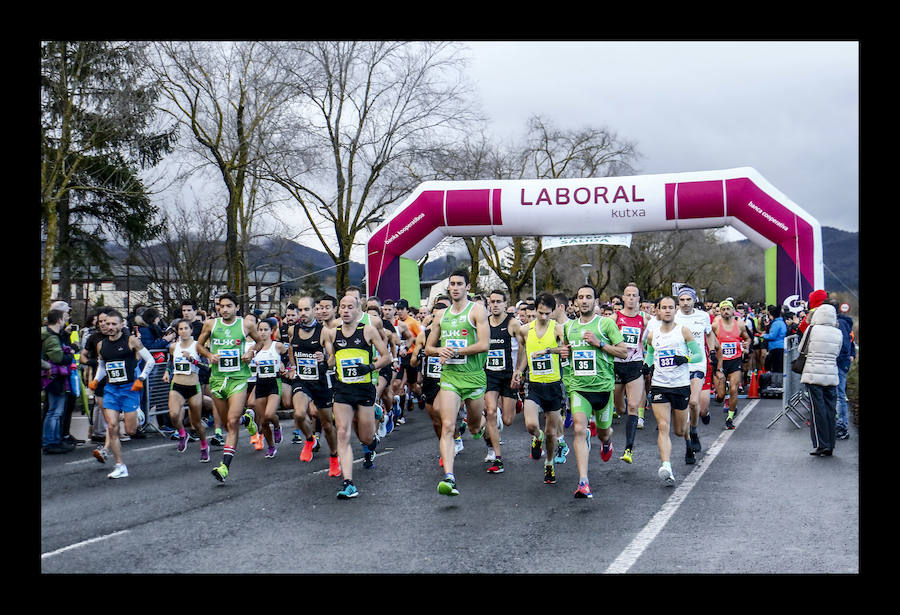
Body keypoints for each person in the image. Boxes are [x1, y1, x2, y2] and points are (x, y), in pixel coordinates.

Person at [424, 269, 490, 497]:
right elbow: (428, 348)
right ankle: (449, 477)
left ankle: (488, 421)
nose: (455, 287)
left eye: (459, 284)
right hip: (450, 378)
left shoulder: (477, 311)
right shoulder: (441, 316)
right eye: (452, 284)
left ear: (467, 287)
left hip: (473, 377)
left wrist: (456, 351)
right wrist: (439, 350)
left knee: (473, 426)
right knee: (448, 426)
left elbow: (484, 345)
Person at [559, 284, 627, 498]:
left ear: (596, 301)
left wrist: (599, 344)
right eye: (581, 297)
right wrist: (563, 353)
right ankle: (583, 482)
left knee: (604, 432)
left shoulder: (605, 324)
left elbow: (624, 352)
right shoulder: (568, 328)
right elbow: (567, 355)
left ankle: (607, 442)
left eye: (589, 297)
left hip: (603, 388)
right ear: (576, 302)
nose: (585, 300)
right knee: (579, 429)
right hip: (579, 388)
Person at [321, 294, 391, 499]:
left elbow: (386, 357)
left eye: (349, 307)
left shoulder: (367, 331)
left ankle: (371, 444)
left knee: (365, 437)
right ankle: (348, 483)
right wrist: (325, 362)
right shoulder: (332, 334)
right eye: (342, 307)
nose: (345, 310)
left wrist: (369, 366)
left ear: (358, 309)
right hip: (342, 389)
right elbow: (333, 360)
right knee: (342, 432)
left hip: (364, 389)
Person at [196, 292, 265, 483]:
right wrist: (209, 356)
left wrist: (251, 351)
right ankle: (248, 421)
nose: (224, 309)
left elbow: (259, 341)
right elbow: (199, 346)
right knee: (228, 421)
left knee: (232, 421)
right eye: (221, 306)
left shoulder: (246, 325)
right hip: (218, 379)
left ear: (236, 308)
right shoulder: (211, 324)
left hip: (238, 378)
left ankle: (224, 466)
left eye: (228, 306)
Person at [643, 296, 706, 485]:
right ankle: (666, 465)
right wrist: (646, 366)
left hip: (680, 385)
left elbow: (698, 355)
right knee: (663, 426)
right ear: (658, 311)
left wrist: (685, 358)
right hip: (660, 385)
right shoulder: (653, 334)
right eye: (664, 307)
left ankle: (688, 437)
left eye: (671, 307)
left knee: (679, 430)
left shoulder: (683, 331)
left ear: (675, 309)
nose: (668, 310)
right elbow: (650, 354)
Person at [88, 309, 157, 478]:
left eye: (113, 324)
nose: (109, 327)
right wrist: (96, 380)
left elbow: (151, 360)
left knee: (131, 430)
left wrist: (141, 378)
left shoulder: (131, 341)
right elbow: (103, 366)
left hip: (129, 389)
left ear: (121, 324)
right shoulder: (101, 345)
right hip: (111, 389)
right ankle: (120, 466)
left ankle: (137, 414)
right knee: (111, 427)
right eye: (107, 323)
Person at [512, 293, 569, 486]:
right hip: (534, 384)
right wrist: (519, 371)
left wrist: (547, 351)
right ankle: (538, 438)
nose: (543, 316)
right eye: (540, 312)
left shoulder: (557, 329)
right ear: (535, 310)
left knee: (552, 433)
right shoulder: (524, 330)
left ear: (553, 312)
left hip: (553, 385)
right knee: (531, 425)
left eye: (547, 313)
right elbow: (524, 353)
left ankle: (549, 463)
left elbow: (564, 351)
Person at [288, 296, 340, 477]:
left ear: (314, 310)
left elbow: (333, 359)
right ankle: (310, 439)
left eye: (306, 310)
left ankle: (334, 457)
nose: (302, 314)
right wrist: (293, 367)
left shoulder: (324, 332)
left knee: (326, 423)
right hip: (302, 380)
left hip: (320, 382)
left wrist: (325, 358)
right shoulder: (292, 330)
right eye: (300, 310)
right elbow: (291, 348)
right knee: (299, 413)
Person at [674, 286, 718, 464]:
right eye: (682, 300)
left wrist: (713, 351)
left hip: (699, 363)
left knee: (696, 404)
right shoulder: (674, 317)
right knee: (686, 406)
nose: (685, 303)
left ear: (694, 300)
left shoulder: (703, 316)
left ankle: (693, 429)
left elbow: (709, 334)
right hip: (680, 366)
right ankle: (689, 444)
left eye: (688, 300)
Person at [483, 289, 523, 473]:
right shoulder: (484, 324)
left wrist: (518, 371)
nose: (495, 305)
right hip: (489, 374)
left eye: (499, 301)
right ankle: (497, 458)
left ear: (505, 304)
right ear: (488, 304)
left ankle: (502, 415)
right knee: (490, 411)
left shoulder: (513, 323)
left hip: (508, 375)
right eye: (492, 301)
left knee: (507, 420)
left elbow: (524, 346)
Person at [799, 300, 845, 456]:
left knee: (817, 410)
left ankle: (821, 444)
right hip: (831, 374)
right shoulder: (837, 332)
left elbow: (802, 348)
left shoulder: (812, 329)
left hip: (813, 374)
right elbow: (837, 352)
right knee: (830, 409)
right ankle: (831, 444)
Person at [613, 283, 651, 464]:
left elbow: (659, 328)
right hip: (616, 365)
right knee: (620, 408)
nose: (630, 298)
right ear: (623, 297)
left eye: (634, 295)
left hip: (635, 364)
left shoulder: (644, 320)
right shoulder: (614, 318)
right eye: (627, 295)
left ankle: (629, 448)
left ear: (638, 299)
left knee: (633, 406)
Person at [161, 318, 209, 461]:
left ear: (191, 330)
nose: (183, 331)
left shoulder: (197, 346)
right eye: (180, 329)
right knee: (174, 415)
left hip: (193, 386)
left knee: (197, 423)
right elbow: (171, 361)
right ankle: (182, 433)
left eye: (186, 328)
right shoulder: (173, 347)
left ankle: (204, 446)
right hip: (177, 385)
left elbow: (207, 368)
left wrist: (192, 360)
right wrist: (167, 372)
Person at [248, 317, 286, 459]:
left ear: (272, 331)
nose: (263, 333)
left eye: (265, 330)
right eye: (260, 330)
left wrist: (286, 366)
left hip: (274, 383)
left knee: (270, 415)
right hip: (260, 384)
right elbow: (246, 360)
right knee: (263, 421)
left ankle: (277, 426)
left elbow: (289, 355)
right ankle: (271, 447)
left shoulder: (277, 346)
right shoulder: (254, 348)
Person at [42, 309, 77, 454]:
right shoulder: (51, 337)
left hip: (53, 377)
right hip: (55, 377)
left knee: (54, 411)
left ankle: (54, 440)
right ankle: (51, 442)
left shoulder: (52, 335)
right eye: (64, 318)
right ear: (59, 320)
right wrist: (72, 353)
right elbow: (58, 358)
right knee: (55, 411)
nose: (66, 320)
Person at [712, 300, 751, 430]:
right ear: (720, 311)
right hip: (721, 361)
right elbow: (708, 338)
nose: (726, 311)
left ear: (733, 311)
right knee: (721, 395)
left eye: (728, 309)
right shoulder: (716, 324)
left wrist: (746, 345)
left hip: (735, 360)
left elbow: (747, 338)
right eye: (723, 309)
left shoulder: (739, 324)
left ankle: (730, 417)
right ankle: (720, 398)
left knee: (734, 389)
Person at [832, 300, 855, 440]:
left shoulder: (840, 324)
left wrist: (840, 360)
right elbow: (850, 341)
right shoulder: (844, 323)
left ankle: (842, 426)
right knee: (838, 394)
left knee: (840, 395)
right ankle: (839, 424)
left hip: (839, 363)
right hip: (841, 362)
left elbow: (846, 344)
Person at [758, 305, 787, 373]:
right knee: (780, 366)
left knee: (776, 367)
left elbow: (772, 336)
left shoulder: (776, 323)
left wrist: (764, 336)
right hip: (781, 346)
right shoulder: (782, 322)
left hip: (776, 347)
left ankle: (776, 381)